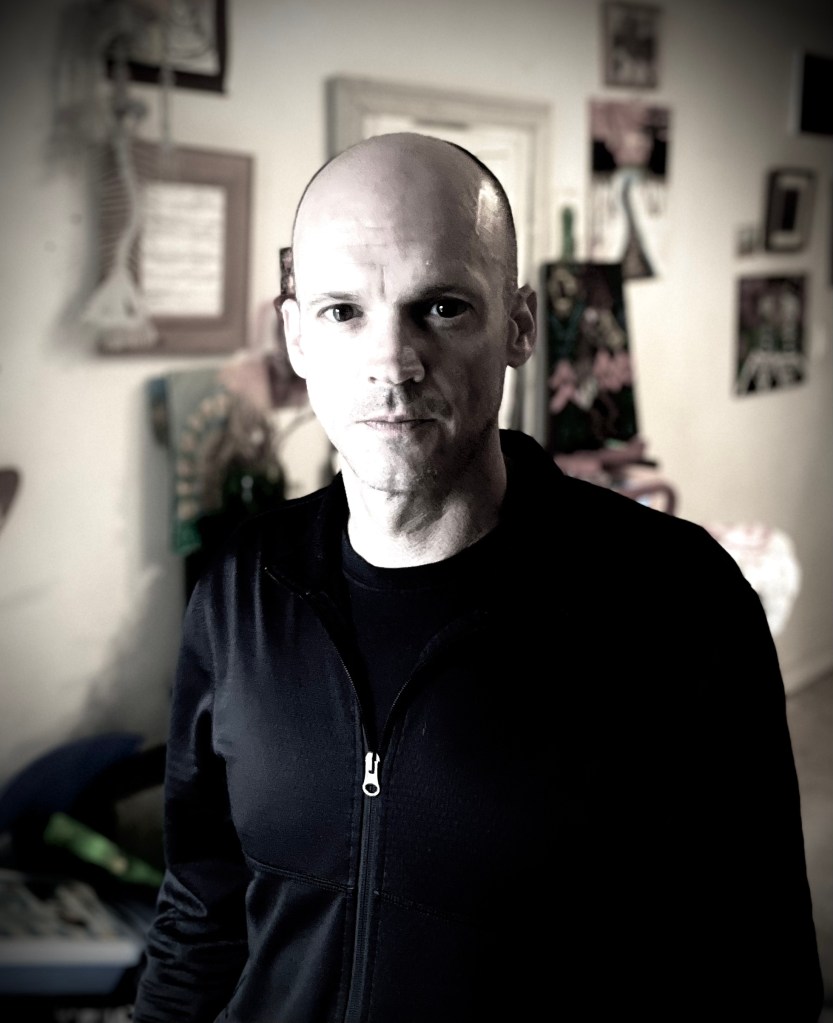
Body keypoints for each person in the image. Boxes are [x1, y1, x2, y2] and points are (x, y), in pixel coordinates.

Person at [131, 132, 823, 1023]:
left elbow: (758, 968)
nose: (392, 361)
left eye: (442, 307)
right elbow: (200, 911)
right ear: (295, 334)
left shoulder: (678, 601)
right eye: (343, 311)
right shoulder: (239, 590)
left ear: (519, 325)